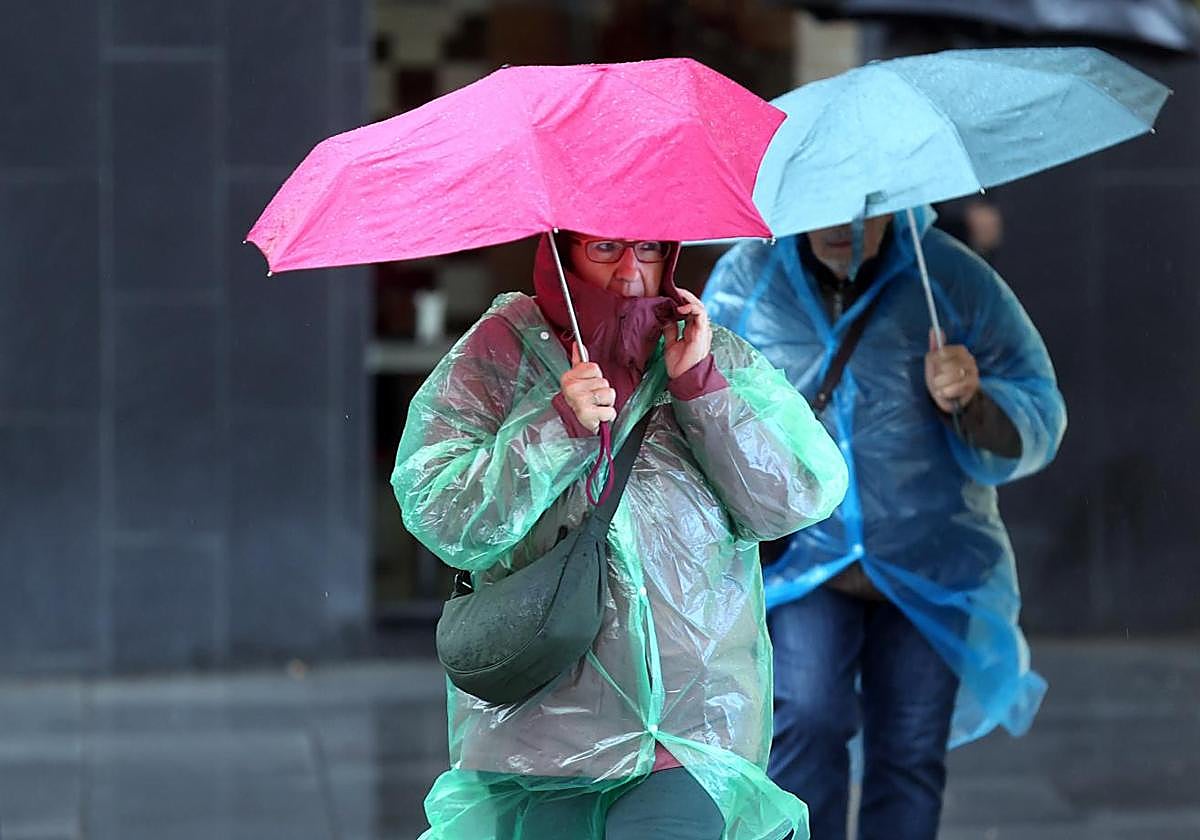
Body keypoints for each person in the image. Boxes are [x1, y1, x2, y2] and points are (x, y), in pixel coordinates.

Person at [392, 231, 849, 840]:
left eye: (653, 248)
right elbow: (442, 510)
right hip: (542, 725)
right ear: (563, 250)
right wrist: (554, 425)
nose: (633, 269)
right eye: (606, 247)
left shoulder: (703, 348)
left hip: (690, 720)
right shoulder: (503, 349)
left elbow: (797, 495)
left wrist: (701, 388)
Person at [702, 207, 1066, 840]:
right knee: (807, 722)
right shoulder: (747, 280)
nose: (840, 222)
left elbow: (1038, 405)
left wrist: (972, 400)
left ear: (894, 198)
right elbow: (696, 405)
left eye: (861, 208)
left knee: (910, 749)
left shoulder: (950, 279)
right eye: (823, 204)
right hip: (803, 563)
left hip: (932, 562)